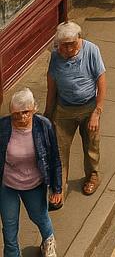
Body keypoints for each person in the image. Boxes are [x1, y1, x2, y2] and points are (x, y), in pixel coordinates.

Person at [44, 22, 105, 199]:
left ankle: (92, 176)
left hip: (88, 107)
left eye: (70, 44)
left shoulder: (92, 50)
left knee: (91, 145)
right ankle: (59, 186)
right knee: (59, 150)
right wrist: (48, 114)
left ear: (79, 39)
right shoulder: (55, 56)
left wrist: (96, 113)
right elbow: (52, 86)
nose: (66, 49)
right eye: (62, 45)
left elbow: (102, 83)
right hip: (64, 110)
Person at [0, 89, 61, 257]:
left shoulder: (44, 126)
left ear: (34, 109)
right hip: (8, 185)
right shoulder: (3, 126)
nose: (21, 118)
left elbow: (54, 157)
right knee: (9, 228)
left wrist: (57, 189)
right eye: (16, 114)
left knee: (40, 217)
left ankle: (48, 242)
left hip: (33, 183)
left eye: (25, 112)